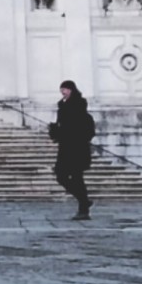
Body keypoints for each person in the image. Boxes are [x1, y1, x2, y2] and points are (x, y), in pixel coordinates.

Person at [49, 80, 96, 220]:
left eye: (65, 89)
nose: (63, 92)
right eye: (61, 89)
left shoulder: (79, 105)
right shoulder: (62, 106)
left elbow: (79, 125)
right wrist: (55, 130)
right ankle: (84, 200)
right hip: (65, 147)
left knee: (77, 177)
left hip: (77, 147)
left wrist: (65, 130)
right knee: (61, 175)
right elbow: (61, 124)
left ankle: (83, 208)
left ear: (71, 90)